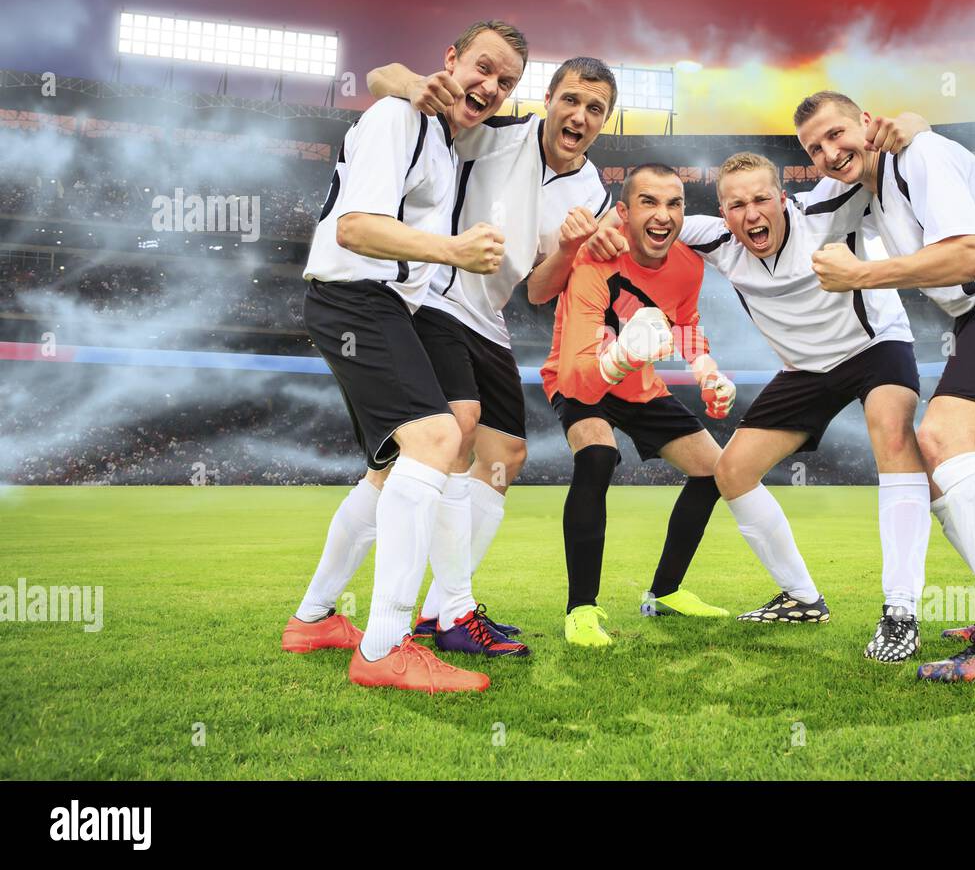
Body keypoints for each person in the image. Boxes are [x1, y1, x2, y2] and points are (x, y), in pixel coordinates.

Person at [280, 20, 526, 691]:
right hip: (356, 297)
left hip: (389, 308)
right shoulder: (401, 117)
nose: (491, 86)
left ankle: (314, 619)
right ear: (451, 58)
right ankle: (386, 646)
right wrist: (452, 251)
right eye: (483, 67)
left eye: (506, 82)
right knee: (438, 438)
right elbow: (355, 227)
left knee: (403, 465)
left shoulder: (441, 141)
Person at [797, 90, 975, 681]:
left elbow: (971, 255)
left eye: (837, 134)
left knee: (943, 439)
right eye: (814, 148)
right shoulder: (871, 186)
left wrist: (862, 275)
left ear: (867, 123)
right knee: (932, 459)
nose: (828, 152)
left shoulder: (918, 156)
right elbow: (797, 213)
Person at [364, 57, 625, 640]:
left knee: (506, 456)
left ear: (605, 121)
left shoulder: (594, 193)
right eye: (572, 100)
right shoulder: (492, 133)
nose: (580, 116)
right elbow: (382, 80)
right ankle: (422, 614)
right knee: (454, 430)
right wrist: (411, 83)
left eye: (595, 109)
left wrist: (569, 249)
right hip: (434, 294)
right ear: (549, 99)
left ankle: (436, 608)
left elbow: (537, 290)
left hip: (487, 318)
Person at [676, 140, 930, 662]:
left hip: (874, 346)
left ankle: (901, 611)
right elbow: (640, 219)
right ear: (722, 212)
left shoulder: (827, 211)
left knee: (894, 439)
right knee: (732, 472)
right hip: (804, 369)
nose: (751, 214)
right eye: (737, 205)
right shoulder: (715, 239)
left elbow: (873, 156)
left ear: (784, 197)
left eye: (761, 199)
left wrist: (910, 129)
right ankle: (802, 598)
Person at [541, 164, 736, 646]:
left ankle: (665, 592)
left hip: (640, 386)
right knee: (598, 455)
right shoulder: (593, 260)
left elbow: (686, 325)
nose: (663, 215)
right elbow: (581, 378)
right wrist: (623, 354)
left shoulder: (689, 264)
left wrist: (708, 372)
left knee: (717, 470)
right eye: (649, 202)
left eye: (674, 204)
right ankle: (581, 609)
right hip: (579, 376)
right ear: (624, 212)